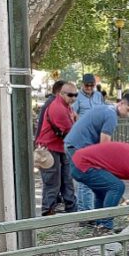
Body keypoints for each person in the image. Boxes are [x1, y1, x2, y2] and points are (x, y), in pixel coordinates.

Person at [64, 93, 129, 220]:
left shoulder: (106, 108)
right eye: (128, 110)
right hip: (79, 146)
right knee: (88, 181)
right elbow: (105, 146)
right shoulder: (111, 116)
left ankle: (88, 216)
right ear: (121, 103)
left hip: (72, 143)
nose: (128, 115)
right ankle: (88, 218)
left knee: (88, 182)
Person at [35, 82, 78, 216]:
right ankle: (48, 211)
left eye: (75, 95)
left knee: (67, 179)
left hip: (58, 147)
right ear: (61, 94)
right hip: (49, 149)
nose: (73, 98)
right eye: (71, 95)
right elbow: (71, 131)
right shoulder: (58, 108)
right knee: (52, 182)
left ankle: (71, 207)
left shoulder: (66, 106)